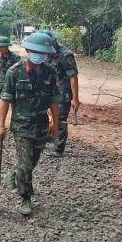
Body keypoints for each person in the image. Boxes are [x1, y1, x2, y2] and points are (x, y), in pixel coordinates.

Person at [0, 33, 62, 215]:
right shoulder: (14, 71)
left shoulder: (51, 71)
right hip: (21, 126)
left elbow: (54, 99)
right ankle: (25, 198)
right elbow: (6, 99)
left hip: (41, 124)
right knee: (26, 165)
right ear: (27, 50)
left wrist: (56, 123)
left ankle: (13, 174)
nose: (39, 55)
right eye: (36, 51)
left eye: (43, 52)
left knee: (33, 161)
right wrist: (0, 125)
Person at [41, 30, 80, 158]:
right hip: (46, 91)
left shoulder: (66, 54)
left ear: (54, 40)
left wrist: (75, 99)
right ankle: (48, 138)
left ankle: (58, 149)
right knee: (45, 116)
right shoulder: (43, 51)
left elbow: (73, 77)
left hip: (62, 93)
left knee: (60, 120)